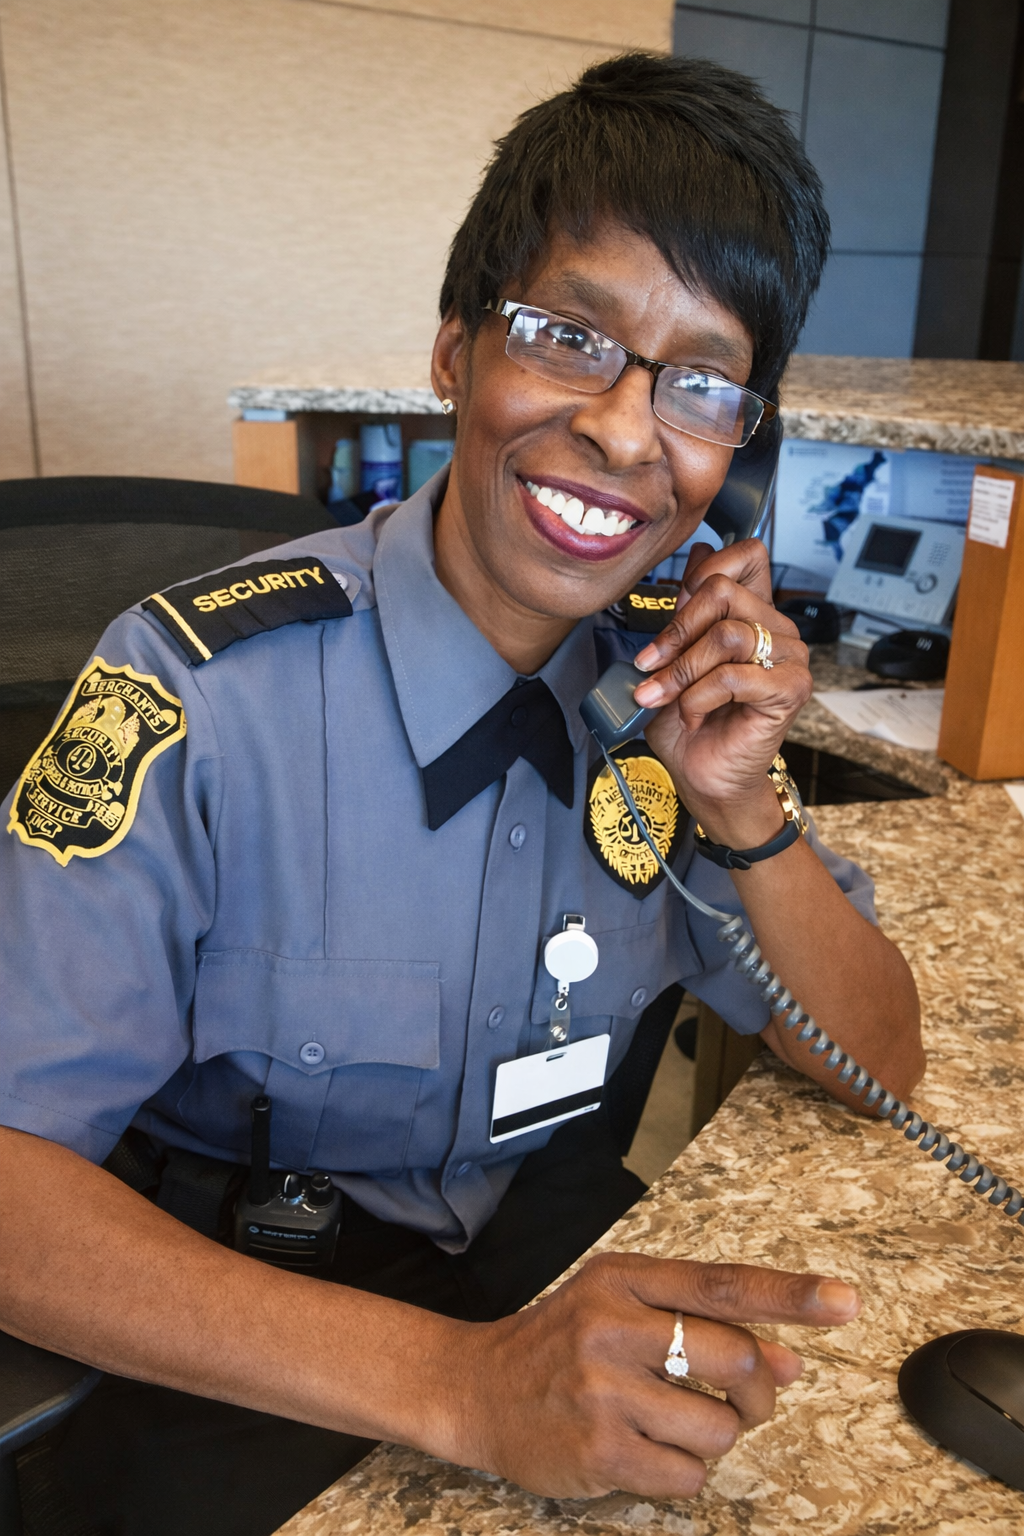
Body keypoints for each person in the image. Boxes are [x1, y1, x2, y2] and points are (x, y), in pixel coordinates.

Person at [0, 51, 924, 1536]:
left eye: (702, 385)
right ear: (454, 352)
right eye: (572, 337)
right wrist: (466, 1386)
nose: (628, 433)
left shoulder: (665, 703)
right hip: (238, 1305)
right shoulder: (193, 691)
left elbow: (881, 1066)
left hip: (545, 1252)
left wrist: (747, 811)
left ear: (738, 466)